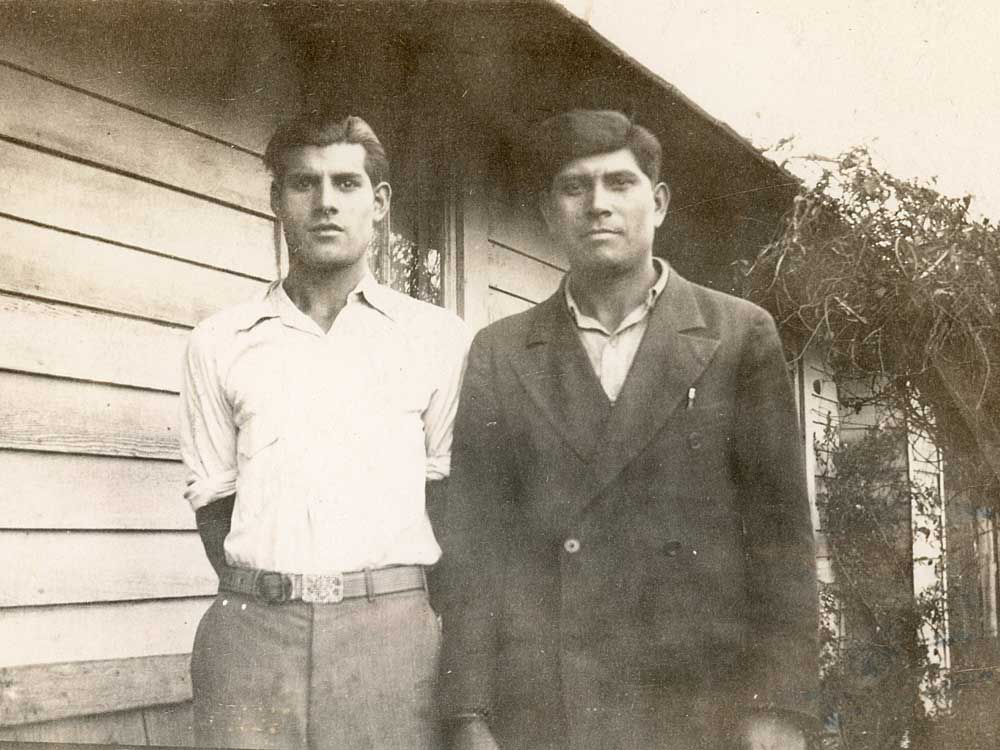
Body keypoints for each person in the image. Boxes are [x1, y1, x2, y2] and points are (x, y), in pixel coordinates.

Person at [437, 110, 819, 750]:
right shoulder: (501, 352)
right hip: (549, 705)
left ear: (659, 202)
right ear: (547, 212)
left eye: (620, 183)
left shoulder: (738, 334)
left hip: (701, 698)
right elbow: (476, 546)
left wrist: (780, 707)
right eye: (574, 187)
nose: (597, 205)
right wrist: (468, 712)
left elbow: (781, 537)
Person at [179, 113, 469, 750]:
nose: (326, 203)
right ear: (276, 201)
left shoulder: (437, 340)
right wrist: (275, 592)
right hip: (254, 635)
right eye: (304, 184)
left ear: (380, 202)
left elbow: (448, 501)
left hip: (391, 638)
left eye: (346, 183)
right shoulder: (220, 342)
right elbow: (215, 504)